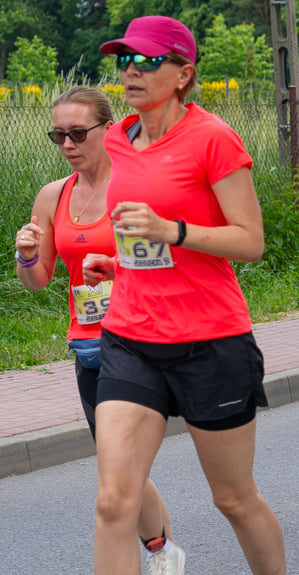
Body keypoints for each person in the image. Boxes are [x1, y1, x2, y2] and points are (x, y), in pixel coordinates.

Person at [83, 16, 285, 575]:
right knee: (113, 500)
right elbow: (135, 231)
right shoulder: (117, 139)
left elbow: (250, 241)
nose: (131, 72)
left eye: (147, 62)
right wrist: (119, 263)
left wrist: (172, 230)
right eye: (125, 60)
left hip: (210, 342)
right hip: (131, 336)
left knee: (233, 499)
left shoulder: (213, 138)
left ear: (183, 73)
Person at [14, 86, 185, 575]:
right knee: (120, 470)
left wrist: (114, 267)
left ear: (108, 129)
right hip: (89, 345)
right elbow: (38, 281)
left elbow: (168, 262)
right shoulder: (53, 195)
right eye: (58, 135)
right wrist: (26, 254)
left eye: (77, 133)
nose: (67, 144)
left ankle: (159, 555)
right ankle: (162, 551)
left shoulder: (137, 185)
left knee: (118, 472)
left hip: (141, 339)